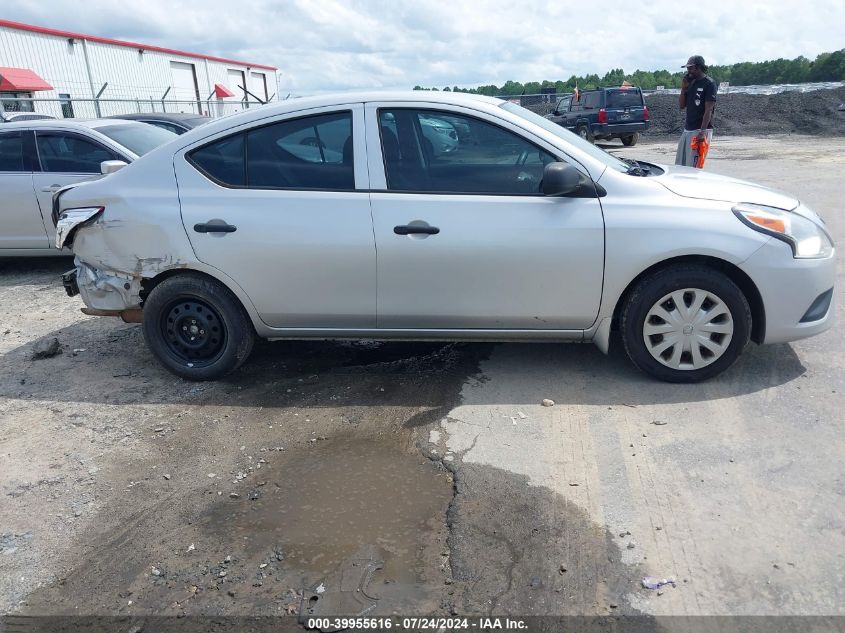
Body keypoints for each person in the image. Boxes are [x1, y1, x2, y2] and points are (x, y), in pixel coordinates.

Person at [675, 55, 717, 167]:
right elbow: (681, 106)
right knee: (681, 164)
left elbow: (708, 109)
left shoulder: (709, 84)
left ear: (698, 67)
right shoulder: (691, 83)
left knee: (694, 167)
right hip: (688, 129)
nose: (688, 71)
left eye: (690, 68)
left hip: (700, 130)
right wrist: (684, 89)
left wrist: (702, 132)